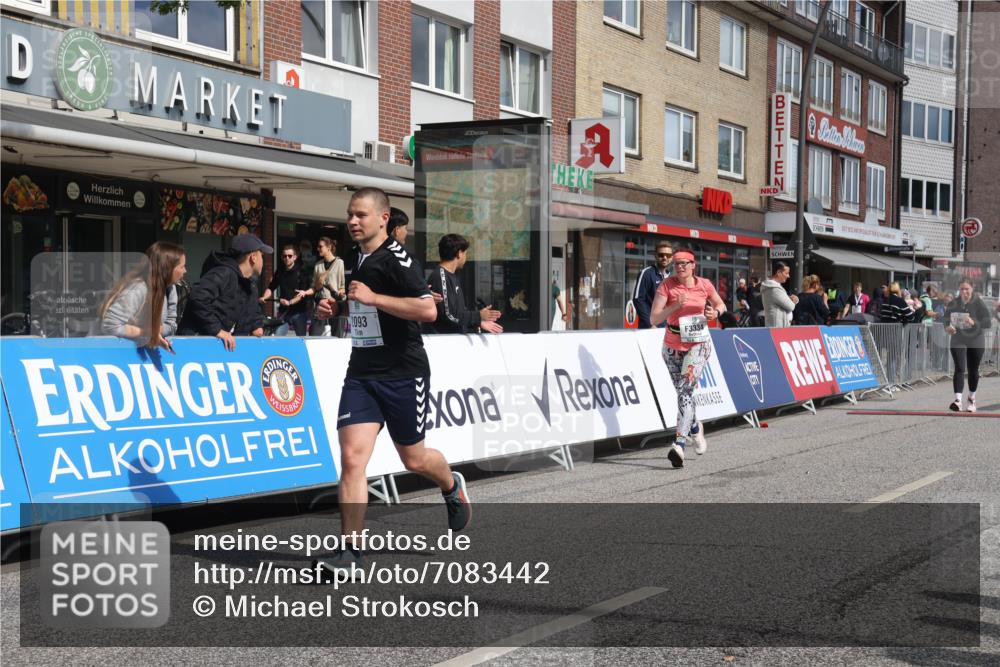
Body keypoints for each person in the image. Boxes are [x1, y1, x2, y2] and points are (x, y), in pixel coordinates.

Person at [312, 187, 471, 573]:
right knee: (351, 459)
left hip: (403, 372)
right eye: (350, 214)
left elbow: (427, 309)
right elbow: (363, 309)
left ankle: (451, 485)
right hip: (363, 373)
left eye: (361, 215)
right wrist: (335, 308)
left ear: (383, 219)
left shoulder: (398, 258)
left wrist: (374, 297)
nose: (353, 221)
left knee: (413, 458)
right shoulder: (355, 257)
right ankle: (350, 553)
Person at [649, 247, 726, 468]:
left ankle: (679, 444)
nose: (680, 266)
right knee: (683, 393)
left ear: (693, 265)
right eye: (677, 263)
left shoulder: (704, 285)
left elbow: (721, 304)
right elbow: (654, 317)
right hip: (672, 345)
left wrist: (715, 313)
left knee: (684, 391)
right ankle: (694, 428)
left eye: (685, 262)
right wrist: (675, 305)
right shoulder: (667, 285)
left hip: (698, 344)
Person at [177, 234, 270, 349]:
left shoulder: (251, 285)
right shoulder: (223, 273)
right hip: (196, 346)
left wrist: (257, 326)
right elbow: (197, 297)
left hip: (222, 351)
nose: (263, 260)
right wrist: (217, 330)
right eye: (262, 255)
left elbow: (253, 310)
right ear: (253, 257)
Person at [100, 241, 186, 351]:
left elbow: (171, 326)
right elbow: (110, 326)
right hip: (105, 354)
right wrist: (148, 333)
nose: (185, 271)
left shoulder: (170, 289)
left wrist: (153, 334)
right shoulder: (138, 289)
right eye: (182, 266)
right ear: (167, 268)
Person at [427, 234, 503, 335]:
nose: (466, 258)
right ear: (459, 253)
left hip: (456, 340)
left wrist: (478, 322)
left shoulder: (451, 276)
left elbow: (459, 314)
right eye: (465, 253)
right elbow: (450, 315)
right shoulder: (440, 277)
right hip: (446, 342)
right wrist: (478, 316)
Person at [944, 279, 992, 412]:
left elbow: (988, 323)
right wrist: (948, 327)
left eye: (966, 289)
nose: (964, 292)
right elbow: (946, 319)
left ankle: (971, 398)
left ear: (972, 289)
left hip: (975, 339)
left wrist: (974, 322)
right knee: (959, 368)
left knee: (973, 370)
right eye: (961, 289)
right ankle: (958, 400)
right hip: (958, 338)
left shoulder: (978, 302)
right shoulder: (954, 302)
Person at [260, 245, 311, 336]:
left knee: (301, 340)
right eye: (284, 256)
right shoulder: (280, 271)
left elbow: (302, 294)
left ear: (295, 257)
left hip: (299, 313)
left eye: (290, 256)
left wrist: (290, 302)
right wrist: (264, 297)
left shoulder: (301, 272)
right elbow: (271, 287)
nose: (287, 258)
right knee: (278, 337)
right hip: (283, 312)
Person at [307, 236, 346, 336]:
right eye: (318, 246)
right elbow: (314, 287)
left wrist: (341, 291)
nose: (318, 249)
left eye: (320, 246)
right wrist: (305, 292)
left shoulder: (340, 263)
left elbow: (343, 285)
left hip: (335, 304)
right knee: (314, 336)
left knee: (337, 338)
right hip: (321, 305)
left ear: (328, 247)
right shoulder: (318, 265)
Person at [632, 240, 673, 329]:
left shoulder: (672, 277)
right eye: (661, 255)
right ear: (655, 256)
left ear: (672, 257)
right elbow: (638, 299)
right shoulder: (646, 273)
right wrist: (650, 324)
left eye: (668, 255)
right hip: (650, 329)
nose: (665, 257)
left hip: (667, 329)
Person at [760, 261, 798, 328]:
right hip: (778, 328)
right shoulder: (774, 289)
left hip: (777, 327)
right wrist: (794, 300)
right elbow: (790, 306)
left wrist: (788, 299)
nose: (788, 276)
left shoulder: (773, 288)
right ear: (778, 272)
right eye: (786, 273)